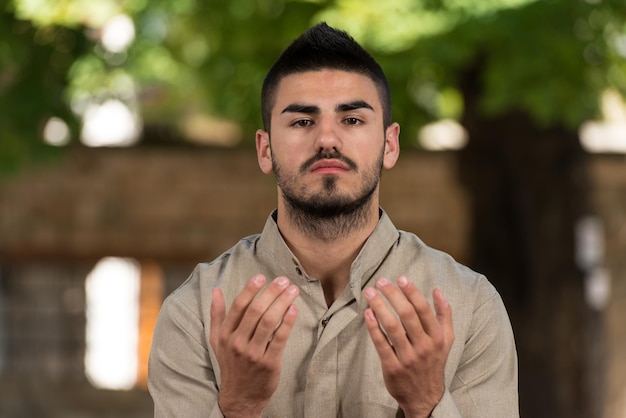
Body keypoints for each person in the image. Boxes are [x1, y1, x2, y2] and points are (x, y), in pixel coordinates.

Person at [148, 22, 518, 418]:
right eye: (302, 121)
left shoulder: (469, 305)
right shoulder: (197, 311)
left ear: (390, 144)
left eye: (352, 120)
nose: (327, 139)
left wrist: (427, 404)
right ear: (265, 149)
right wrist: (238, 405)